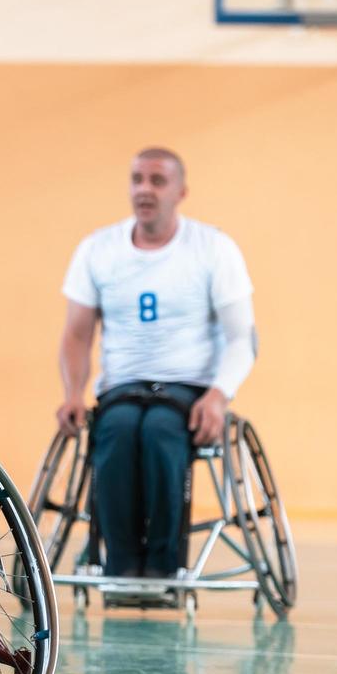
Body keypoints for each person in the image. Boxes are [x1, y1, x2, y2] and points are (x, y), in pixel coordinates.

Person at [55, 148, 256, 578]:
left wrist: (219, 398)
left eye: (157, 181)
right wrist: (73, 393)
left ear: (180, 191)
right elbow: (76, 334)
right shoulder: (98, 249)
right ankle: (123, 566)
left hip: (188, 389)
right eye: (137, 179)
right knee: (117, 432)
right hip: (122, 387)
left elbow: (243, 338)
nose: (145, 189)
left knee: (162, 434)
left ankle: (164, 568)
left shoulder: (213, 248)